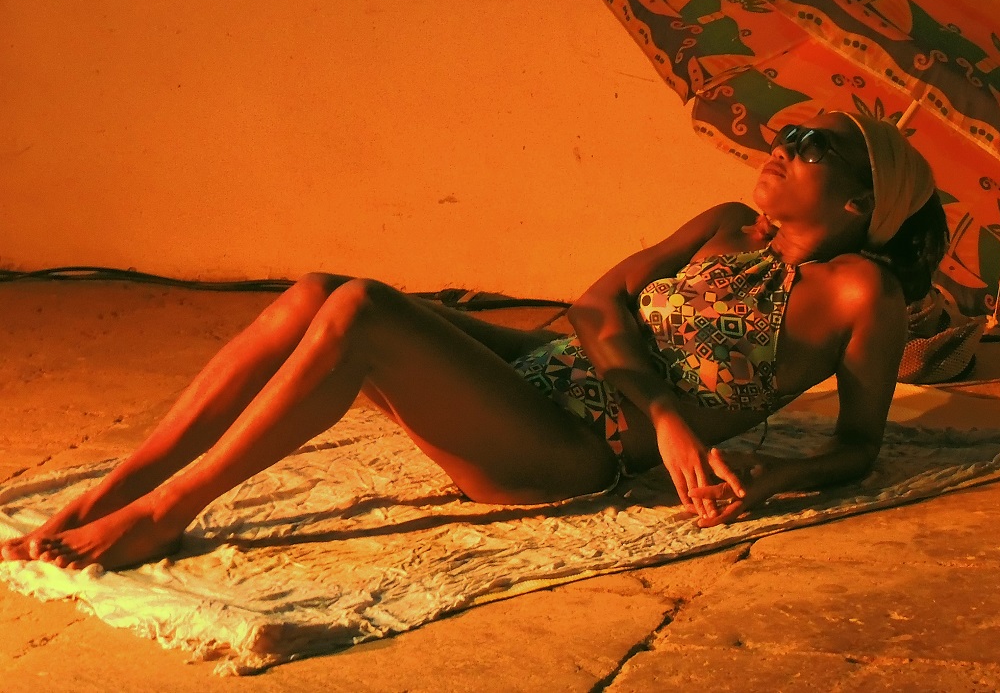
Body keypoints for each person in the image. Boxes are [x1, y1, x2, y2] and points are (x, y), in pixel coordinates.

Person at [1, 110, 948, 571]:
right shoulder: (726, 224)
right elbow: (593, 305)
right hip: (546, 371)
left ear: (860, 204)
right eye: (791, 129)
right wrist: (666, 410)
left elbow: (860, 443)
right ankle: (124, 484)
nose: (783, 143)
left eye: (815, 146)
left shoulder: (863, 293)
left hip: (575, 447)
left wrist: (774, 478)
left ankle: (170, 509)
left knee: (361, 312)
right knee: (318, 288)